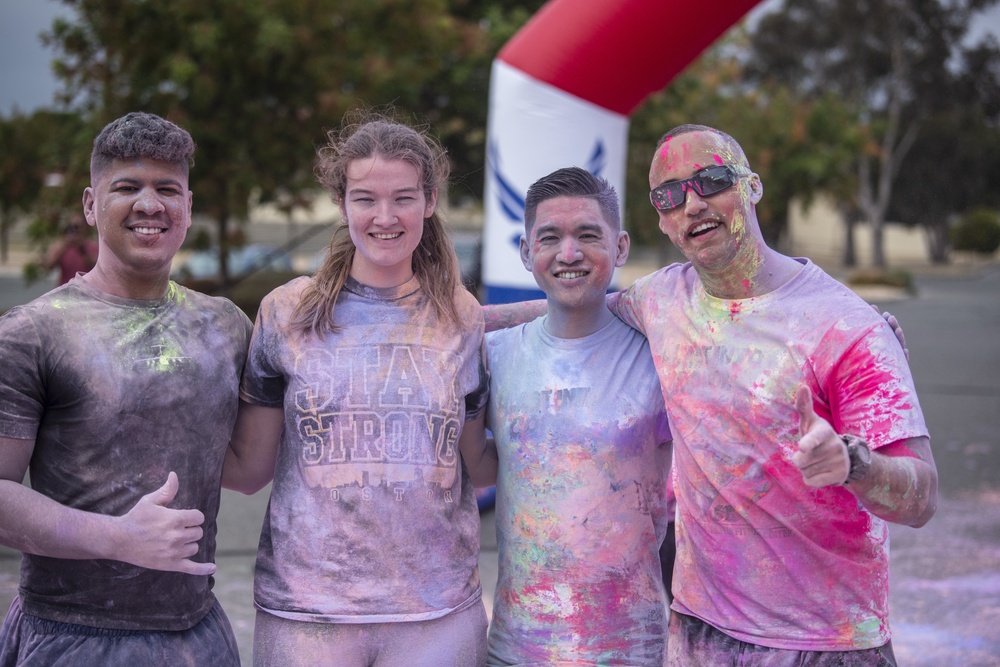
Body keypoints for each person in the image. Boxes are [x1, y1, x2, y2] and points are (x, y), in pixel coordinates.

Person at [606, 124, 938, 665]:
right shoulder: (661, 298)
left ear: (752, 187)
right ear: (662, 220)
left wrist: (854, 464)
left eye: (710, 181)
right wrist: (441, 319)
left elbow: (921, 498)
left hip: (826, 644)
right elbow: (559, 318)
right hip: (700, 633)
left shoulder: (847, 325)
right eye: (669, 195)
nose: (692, 203)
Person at [222, 112, 490, 667]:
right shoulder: (285, 312)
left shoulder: (462, 317)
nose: (385, 217)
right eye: (366, 198)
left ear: (431, 200)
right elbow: (249, 471)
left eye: (404, 198)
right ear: (343, 204)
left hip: (436, 613)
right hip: (307, 613)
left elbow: (479, 465)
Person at [0, 112, 251, 666]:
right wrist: (115, 537)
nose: (149, 204)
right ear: (91, 205)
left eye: (168, 188)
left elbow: (249, 470)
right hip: (71, 637)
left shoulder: (225, 326)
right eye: (127, 187)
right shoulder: (34, 332)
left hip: (198, 634)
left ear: (188, 205)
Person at [461, 167, 673, 665]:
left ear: (619, 248)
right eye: (550, 237)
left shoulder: (661, 356)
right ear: (525, 251)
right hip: (517, 648)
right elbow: (483, 467)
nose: (569, 253)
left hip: (631, 650)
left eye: (587, 235)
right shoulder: (494, 354)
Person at [41, 212, 100, 285]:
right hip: (65, 291)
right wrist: (65, 244)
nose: (74, 230)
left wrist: (81, 248)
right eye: (71, 226)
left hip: (86, 290)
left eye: (77, 226)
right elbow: (48, 265)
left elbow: (96, 266)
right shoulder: (62, 246)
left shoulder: (92, 246)